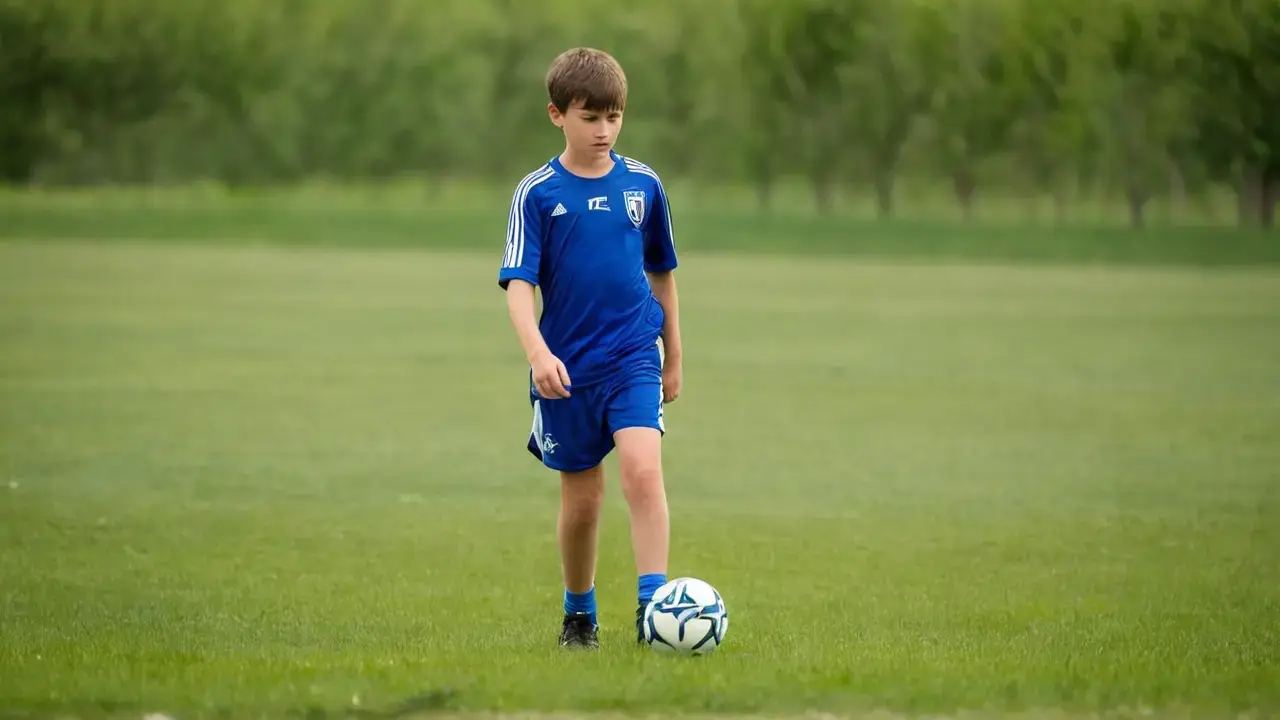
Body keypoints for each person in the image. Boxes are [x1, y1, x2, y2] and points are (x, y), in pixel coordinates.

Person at [497, 47, 683, 650]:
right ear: (557, 115)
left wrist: (674, 356)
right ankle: (579, 616)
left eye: (614, 117)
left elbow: (662, 274)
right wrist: (537, 353)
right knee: (583, 503)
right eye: (590, 117)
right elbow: (518, 286)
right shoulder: (537, 193)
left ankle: (655, 613)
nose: (604, 130)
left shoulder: (644, 185)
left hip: (634, 356)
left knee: (643, 472)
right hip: (567, 370)